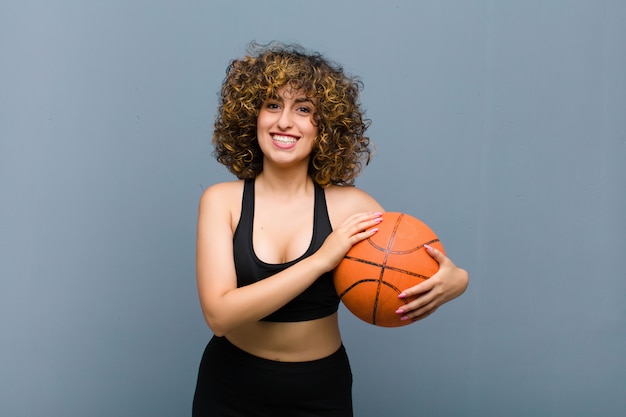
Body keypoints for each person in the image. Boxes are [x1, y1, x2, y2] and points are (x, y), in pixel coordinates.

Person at [192, 42, 469, 416]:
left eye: (303, 109)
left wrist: (457, 281)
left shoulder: (352, 208)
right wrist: (321, 260)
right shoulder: (221, 201)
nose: (284, 121)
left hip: (319, 391)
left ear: (325, 126)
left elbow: (404, 272)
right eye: (272, 105)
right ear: (250, 115)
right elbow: (220, 316)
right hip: (229, 384)